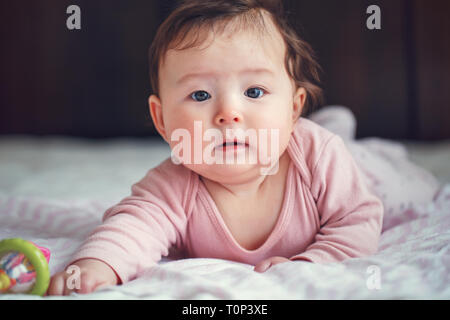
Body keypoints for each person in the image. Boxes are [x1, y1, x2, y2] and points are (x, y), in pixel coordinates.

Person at [48, 0, 383, 295]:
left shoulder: (317, 154)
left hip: (364, 167)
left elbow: (357, 219)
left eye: (253, 92)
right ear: (161, 119)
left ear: (294, 108)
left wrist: (314, 262)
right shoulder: (174, 184)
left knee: (396, 179)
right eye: (200, 95)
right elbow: (133, 226)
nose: (228, 114)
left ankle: (339, 125)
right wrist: (96, 265)